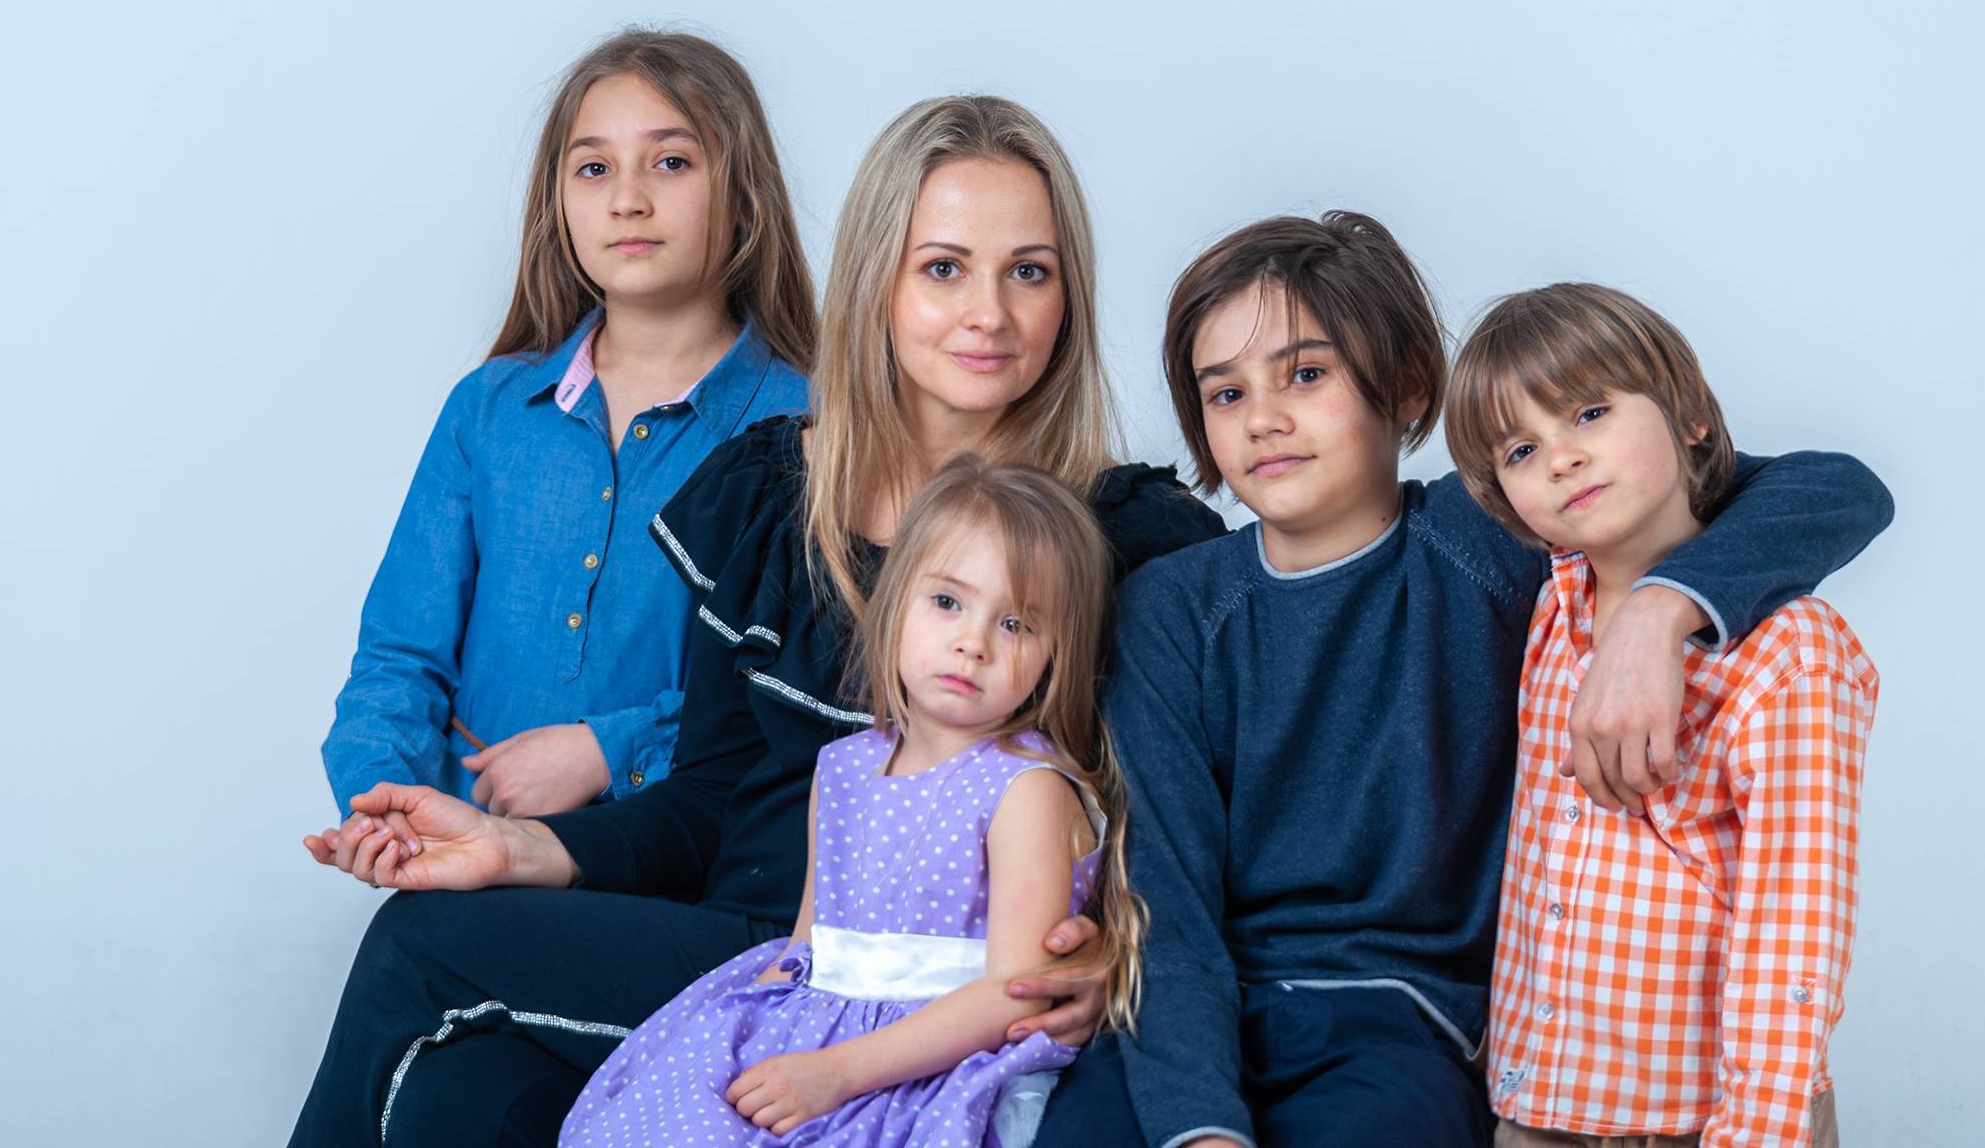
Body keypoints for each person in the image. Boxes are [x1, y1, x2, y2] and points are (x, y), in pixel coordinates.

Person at [288, 95, 1224, 1148]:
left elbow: (1181, 823)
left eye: (1030, 272)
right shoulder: (773, 494)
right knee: (459, 1095)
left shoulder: (1125, 538)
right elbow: (707, 802)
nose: (989, 315)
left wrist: (1120, 952)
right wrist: (516, 848)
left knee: (416, 948)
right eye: (944, 268)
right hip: (761, 961)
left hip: (937, 987)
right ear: (877, 280)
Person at [1038, 212, 1891, 1148]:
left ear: (1408, 383)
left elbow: (1835, 487)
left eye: (1307, 374)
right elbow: (1166, 891)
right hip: (1193, 1005)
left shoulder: (1497, 536)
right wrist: (1201, 1128)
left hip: (1404, 1024)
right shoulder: (1172, 609)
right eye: (1226, 393)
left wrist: (1660, 610)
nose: (1264, 418)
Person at [314, 30, 815, 859]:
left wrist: (607, 750)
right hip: (466, 862)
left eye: (671, 162)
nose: (627, 200)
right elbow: (398, 658)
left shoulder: (810, 430)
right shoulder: (489, 411)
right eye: (593, 168)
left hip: (687, 874)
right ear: (559, 201)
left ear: (744, 193)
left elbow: (801, 701)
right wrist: (382, 803)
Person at [562, 456, 1142, 1147]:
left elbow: (1013, 996)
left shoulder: (1026, 789)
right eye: (947, 602)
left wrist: (836, 1073)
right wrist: (747, 1042)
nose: (973, 644)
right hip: (818, 1036)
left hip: (938, 1064)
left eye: (1015, 624)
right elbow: (809, 945)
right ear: (894, 604)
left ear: (1055, 654)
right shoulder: (842, 767)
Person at [1446, 283, 1874, 1148]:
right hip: (1538, 1103)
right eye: (1522, 449)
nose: (1562, 458)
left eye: (1590, 412)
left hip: (1702, 1118)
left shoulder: (1790, 654)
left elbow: (1793, 926)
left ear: (1691, 418)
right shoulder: (1549, 605)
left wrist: (1755, 1129)